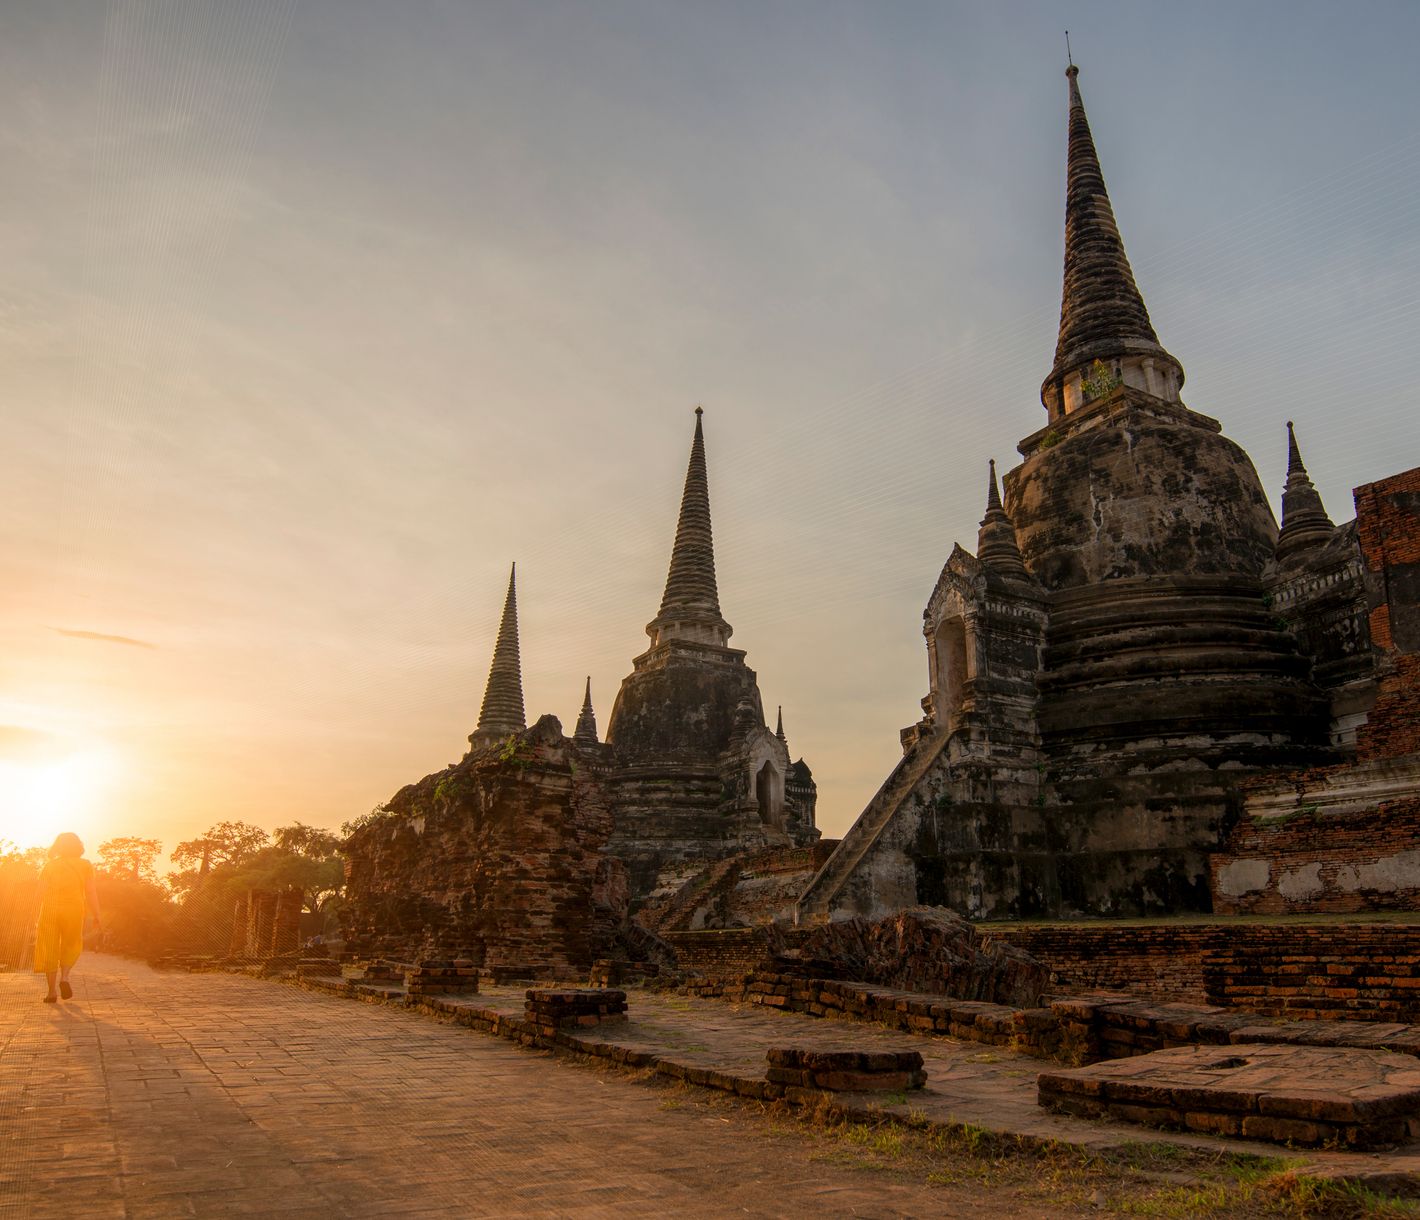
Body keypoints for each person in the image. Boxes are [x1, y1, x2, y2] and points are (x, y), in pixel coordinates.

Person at [35, 832, 101, 1003]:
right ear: (78, 846)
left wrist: (33, 915)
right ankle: (64, 978)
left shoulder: (49, 866)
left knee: (49, 947)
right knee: (71, 943)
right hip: (73, 909)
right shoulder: (85, 865)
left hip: (49, 910)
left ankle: (51, 992)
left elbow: (39, 893)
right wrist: (97, 915)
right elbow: (91, 892)